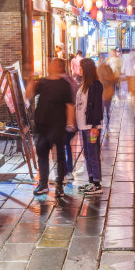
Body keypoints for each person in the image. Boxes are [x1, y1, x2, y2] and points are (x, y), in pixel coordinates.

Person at [25, 59, 75, 197]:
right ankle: (43, 184)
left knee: (59, 156)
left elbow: (70, 105)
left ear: (59, 68)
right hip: (42, 125)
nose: (50, 66)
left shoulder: (64, 84)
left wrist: (70, 124)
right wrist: (30, 81)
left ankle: (59, 185)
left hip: (58, 125)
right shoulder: (43, 82)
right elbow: (28, 95)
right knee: (42, 154)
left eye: (54, 64)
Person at [75, 59, 104, 195]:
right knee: (87, 154)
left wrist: (94, 125)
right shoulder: (84, 84)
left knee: (93, 153)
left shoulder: (95, 85)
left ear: (86, 69)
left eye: (81, 68)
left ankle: (97, 183)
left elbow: (97, 107)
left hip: (91, 126)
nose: (79, 70)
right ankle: (91, 180)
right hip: (83, 126)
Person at [60, 65, 79, 182]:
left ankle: (66, 171)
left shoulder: (62, 82)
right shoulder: (73, 81)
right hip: (73, 119)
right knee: (67, 144)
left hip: (65, 119)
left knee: (64, 144)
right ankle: (68, 170)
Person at [98, 56, 117, 125]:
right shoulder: (99, 69)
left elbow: (113, 78)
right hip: (103, 91)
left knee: (107, 106)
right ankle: (103, 119)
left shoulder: (107, 68)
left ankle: (106, 117)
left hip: (108, 90)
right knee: (103, 106)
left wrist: (107, 78)